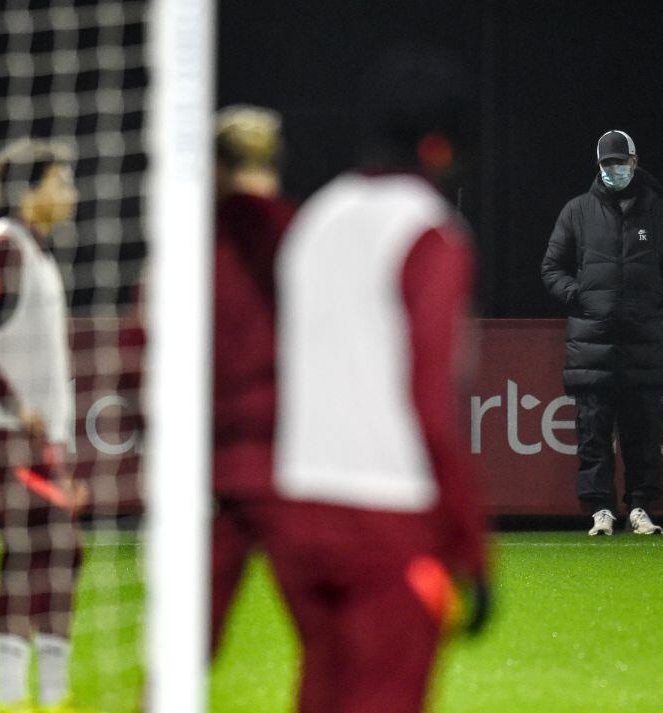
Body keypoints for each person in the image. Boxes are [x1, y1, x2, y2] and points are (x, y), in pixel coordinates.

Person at [271, 50, 490, 713]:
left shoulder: (314, 220)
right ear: (441, 144)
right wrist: (469, 544)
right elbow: (429, 402)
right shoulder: (430, 233)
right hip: (386, 516)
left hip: (300, 511)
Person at [0, 138, 87, 713]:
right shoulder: (3, 248)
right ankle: (25, 692)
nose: (71, 193)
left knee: (47, 551)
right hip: (4, 436)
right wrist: (14, 405)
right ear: (27, 191)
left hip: (38, 441)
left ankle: (41, 691)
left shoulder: (35, 253)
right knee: (50, 545)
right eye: (60, 181)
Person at [541, 130, 663, 536]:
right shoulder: (576, 211)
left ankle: (641, 508)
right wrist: (580, 297)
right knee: (592, 432)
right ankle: (601, 511)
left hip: (644, 345)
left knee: (644, 433)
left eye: (619, 162)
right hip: (592, 345)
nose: (614, 170)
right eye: (606, 164)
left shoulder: (659, 212)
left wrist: (659, 296)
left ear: (634, 161)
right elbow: (551, 267)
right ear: (599, 167)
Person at [210, 105, 295, 653]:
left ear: (215, 168)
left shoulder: (188, 247)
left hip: (210, 470)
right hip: (294, 464)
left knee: (184, 643)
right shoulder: (304, 236)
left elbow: (140, 347)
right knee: (333, 638)